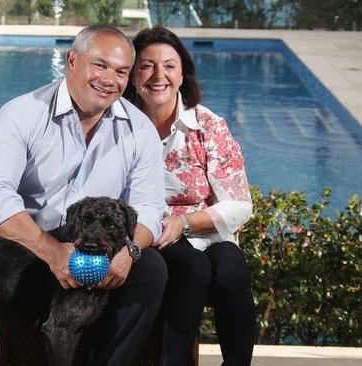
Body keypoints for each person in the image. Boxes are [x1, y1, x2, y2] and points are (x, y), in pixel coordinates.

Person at [0, 24, 168, 366]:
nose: (109, 80)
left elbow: (149, 207)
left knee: (152, 270)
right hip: (26, 244)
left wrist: (130, 252)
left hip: (99, 252)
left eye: (121, 72)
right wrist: (50, 250)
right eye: (100, 65)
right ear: (72, 60)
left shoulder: (139, 129)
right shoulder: (21, 113)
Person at [124, 26, 256, 366]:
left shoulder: (209, 126)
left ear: (183, 74)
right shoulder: (118, 123)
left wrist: (183, 222)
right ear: (132, 75)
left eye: (169, 65)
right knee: (192, 269)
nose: (158, 75)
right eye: (147, 65)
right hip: (149, 234)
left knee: (231, 272)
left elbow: (240, 204)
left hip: (204, 231)